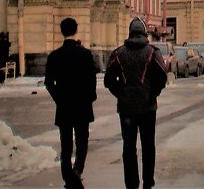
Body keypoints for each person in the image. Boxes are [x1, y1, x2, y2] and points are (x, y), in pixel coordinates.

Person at [105, 18, 168, 189]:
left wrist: (120, 93)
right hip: (148, 107)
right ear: (144, 33)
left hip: (126, 109)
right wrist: (152, 93)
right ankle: (148, 181)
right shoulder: (152, 52)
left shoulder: (119, 53)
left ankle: (131, 183)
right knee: (148, 146)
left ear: (130, 33)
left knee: (129, 147)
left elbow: (108, 79)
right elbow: (162, 76)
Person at [44, 17, 97, 189]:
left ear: (62, 32)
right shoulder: (86, 54)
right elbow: (92, 81)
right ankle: (77, 170)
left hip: (64, 106)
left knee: (66, 145)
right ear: (76, 31)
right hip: (82, 106)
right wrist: (89, 98)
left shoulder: (55, 56)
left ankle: (67, 176)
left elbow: (48, 82)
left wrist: (59, 98)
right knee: (82, 141)